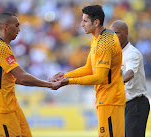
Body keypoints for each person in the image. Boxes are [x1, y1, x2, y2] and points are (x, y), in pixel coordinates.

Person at [0, 12, 68, 137]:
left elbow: (17, 79)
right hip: (2, 109)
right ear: (6, 27)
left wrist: (47, 82)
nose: (19, 29)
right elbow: (22, 76)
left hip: (11, 105)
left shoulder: (3, 47)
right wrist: (49, 84)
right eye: (17, 25)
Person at [50, 5, 126, 137]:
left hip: (110, 99)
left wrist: (68, 82)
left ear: (96, 22)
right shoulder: (97, 38)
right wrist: (64, 76)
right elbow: (88, 68)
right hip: (106, 98)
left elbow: (100, 77)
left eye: (85, 21)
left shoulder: (105, 42)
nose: (81, 24)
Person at [110, 20, 150, 137]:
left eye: (117, 33)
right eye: (112, 34)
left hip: (135, 104)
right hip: (121, 104)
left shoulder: (132, 53)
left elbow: (130, 73)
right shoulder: (115, 54)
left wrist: (115, 84)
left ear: (126, 33)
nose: (114, 37)